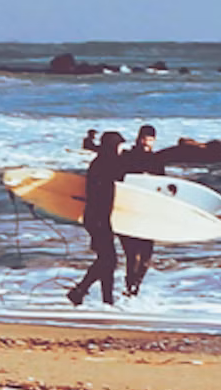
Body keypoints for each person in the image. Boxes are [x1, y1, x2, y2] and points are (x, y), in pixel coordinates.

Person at [66, 130, 127, 306]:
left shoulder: (101, 161)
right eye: (119, 146)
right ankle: (80, 291)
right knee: (109, 259)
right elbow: (121, 174)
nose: (121, 149)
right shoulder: (107, 162)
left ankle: (105, 300)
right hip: (98, 218)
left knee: (107, 259)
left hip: (96, 217)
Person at [119, 124, 166, 296]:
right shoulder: (126, 157)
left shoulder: (156, 160)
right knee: (132, 255)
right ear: (138, 138)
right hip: (128, 209)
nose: (147, 143)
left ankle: (134, 288)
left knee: (146, 258)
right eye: (144, 139)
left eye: (150, 139)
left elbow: (163, 186)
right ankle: (129, 288)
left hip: (148, 212)